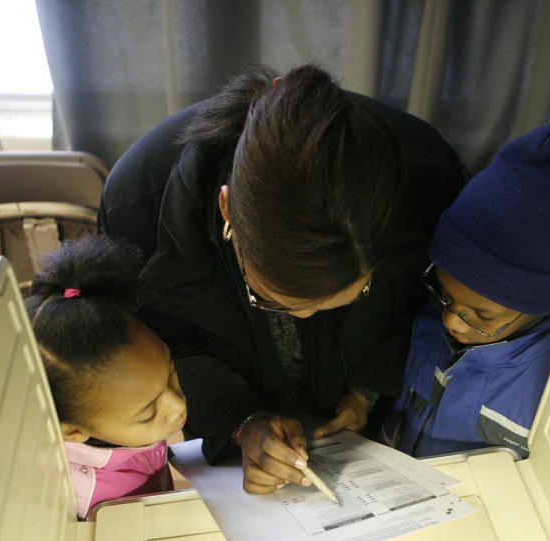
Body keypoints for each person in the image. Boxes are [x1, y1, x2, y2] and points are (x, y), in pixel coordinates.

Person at [98, 64, 470, 494]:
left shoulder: (431, 183)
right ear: (227, 211)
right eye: (273, 300)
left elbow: (421, 304)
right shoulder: (138, 208)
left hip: (374, 443)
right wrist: (242, 420)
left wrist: (366, 389)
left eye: (350, 295)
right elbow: (160, 344)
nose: (307, 317)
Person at [382, 121, 550, 458]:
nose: (452, 321)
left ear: (544, 303)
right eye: (445, 296)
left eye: (482, 315)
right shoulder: (433, 316)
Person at [25, 234, 187, 518]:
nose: (178, 406)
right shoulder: (89, 506)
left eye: (170, 374)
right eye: (148, 413)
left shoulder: (120, 412)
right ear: (72, 431)